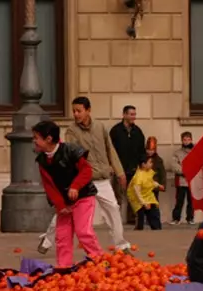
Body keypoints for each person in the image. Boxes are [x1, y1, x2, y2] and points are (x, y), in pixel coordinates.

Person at [37, 97, 132, 255]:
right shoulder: (71, 131)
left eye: (79, 111)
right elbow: (69, 157)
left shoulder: (100, 127)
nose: (75, 114)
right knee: (66, 211)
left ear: (88, 110)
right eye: (74, 111)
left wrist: (119, 171)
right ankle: (47, 240)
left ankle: (121, 245)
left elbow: (110, 150)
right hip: (82, 181)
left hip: (102, 179)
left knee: (113, 209)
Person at [32, 120, 103, 267]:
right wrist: (60, 205)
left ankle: (100, 261)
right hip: (64, 202)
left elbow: (86, 171)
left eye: (36, 138)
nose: (34, 141)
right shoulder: (42, 160)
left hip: (83, 197)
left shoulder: (71, 150)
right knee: (62, 236)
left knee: (83, 231)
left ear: (49, 139)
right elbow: (49, 186)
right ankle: (64, 268)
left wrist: (75, 187)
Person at [109, 105, 146, 224]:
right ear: (124, 115)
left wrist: (142, 163)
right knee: (117, 197)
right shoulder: (115, 131)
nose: (133, 117)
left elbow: (142, 149)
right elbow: (110, 149)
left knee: (133, 195)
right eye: (131, 114)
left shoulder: (138, 131)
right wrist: (111, 165)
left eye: (134, 114)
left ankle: (132, 219)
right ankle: (116, 220)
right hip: (119, 169)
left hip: (134, 169)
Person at [127, 155, 164, 230]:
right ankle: (139, 232)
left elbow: (150, 181)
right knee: (140, 218)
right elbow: (137, 192)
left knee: (154, 214)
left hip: (148, 196)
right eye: (150, 162)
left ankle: (157, 230)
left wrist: (159, 185)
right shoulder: (138, 177)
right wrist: (143, 203)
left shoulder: (148, 172)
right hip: (137, 199)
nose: (152, 164)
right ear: (143, 164)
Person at [171, 131, 195, 225]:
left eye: (188, 139)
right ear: (182, 140)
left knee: (191, 201)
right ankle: (176, 218)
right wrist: (185, 171)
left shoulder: (195, 151)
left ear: (191, 139)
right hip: (181, 180)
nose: (186, 141)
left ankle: (190, 218)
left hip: (192, 180)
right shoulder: (177, 153)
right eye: (184, 139)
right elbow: (174, 165)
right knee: (179, 201)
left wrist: (192, 171)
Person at [146, 136, 166, 201]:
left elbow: (162, 174)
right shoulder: (143, 159)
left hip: (154, 186)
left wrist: (163, 184)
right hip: (144, 186)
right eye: (148, 150)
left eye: (152, 150)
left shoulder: (159, 160)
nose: (150, 152)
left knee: (154, 203)